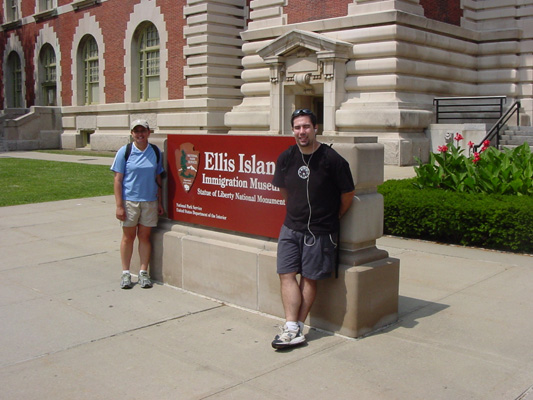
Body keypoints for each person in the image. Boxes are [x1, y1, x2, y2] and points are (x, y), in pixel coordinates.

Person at [271, 109, 355, 349]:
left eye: (306, 126)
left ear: (316, 128)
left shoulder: (332, 159)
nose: (301, 132)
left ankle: (295, 328)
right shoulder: (286, 157)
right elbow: (282, 189)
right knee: (286, 274)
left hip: (320, 231)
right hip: (291, 227)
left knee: (309, 278)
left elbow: (348, 193)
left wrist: (335, 214)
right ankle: (291, 327)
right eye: (297, 127)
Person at [111, 119, 165, 289]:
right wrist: (119, 205)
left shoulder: (155, 152)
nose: (140, 134)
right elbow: (118, 180)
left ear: (149, 132)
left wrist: (160, 202)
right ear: (132, 133)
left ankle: (143, 272)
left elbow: (158, 179)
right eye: (136, 131)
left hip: (149, 202)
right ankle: (126, 273)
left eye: (143, 131)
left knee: (144, 237)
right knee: (128, 237)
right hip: (130, 202)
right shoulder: (125, 152)